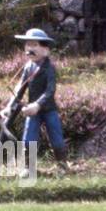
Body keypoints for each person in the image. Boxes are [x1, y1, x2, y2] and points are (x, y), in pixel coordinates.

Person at [9, 28, 68, 168]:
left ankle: (62, 165)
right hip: (32, 110)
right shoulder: (28, 67)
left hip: (48, 109)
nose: (30, 48)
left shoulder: (49, 68)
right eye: (28, 45)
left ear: (45, 50)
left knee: (56, 137)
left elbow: (50, 91)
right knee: (28, 138)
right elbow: (21, 88)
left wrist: (37, 105)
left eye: (35, 45)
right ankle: (29, 168)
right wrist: (10, 106)